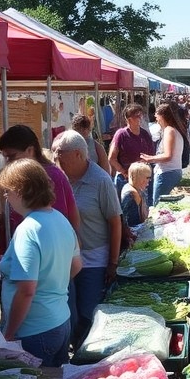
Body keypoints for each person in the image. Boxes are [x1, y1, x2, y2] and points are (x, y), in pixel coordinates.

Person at [0, 158, 81, 367]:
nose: (6, 198)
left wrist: (9, 334)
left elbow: (27, 290)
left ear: (21, 191)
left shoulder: (28, 229)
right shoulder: (59, 218)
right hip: (60, 322)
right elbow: (76, 265)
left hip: (35, 330)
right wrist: (52, 281)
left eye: (8, 191)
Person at [52, 131, 123, 351]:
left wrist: (112, 262)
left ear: (78, 155)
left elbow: (115, 222)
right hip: (65, 258)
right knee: (69, 311)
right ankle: (75, 350)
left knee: (87, 311)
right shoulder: (58, 178)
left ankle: (86, 357)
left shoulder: (100, 180)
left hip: (94, 258)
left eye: (60, 154)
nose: (56, 159)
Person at [0, 125, 80, 251]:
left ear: (30, 150)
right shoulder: (17, 175)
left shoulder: (51, 176)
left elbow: (62, 221)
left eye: (12, 156)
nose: (8, 162)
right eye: (5, 157)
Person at [140, 103, 188, 204]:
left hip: (167, 173)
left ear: (162, 116)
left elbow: (168, 155)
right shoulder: (173, 130)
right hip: (172, 172)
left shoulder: (169, 130)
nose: (155, 118)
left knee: (159, 206)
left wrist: (150, 159)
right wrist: (151, 157)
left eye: (157, 116)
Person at [108, 103, 155, 197]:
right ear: (129, 119)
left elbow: (151, 155)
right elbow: (111, 158)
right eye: (137, 116)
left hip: (143, 179)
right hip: (125, 180)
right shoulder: (121, 134)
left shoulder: (144, 134)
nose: (140, 118)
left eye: (141, 115)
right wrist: (124, 172)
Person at [121, 161, 152, 227]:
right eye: (147, 178)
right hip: (134, 230)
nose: (149, 180)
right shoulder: (130, 193)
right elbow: (123, 217)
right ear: (137, 177)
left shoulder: (138, 188)